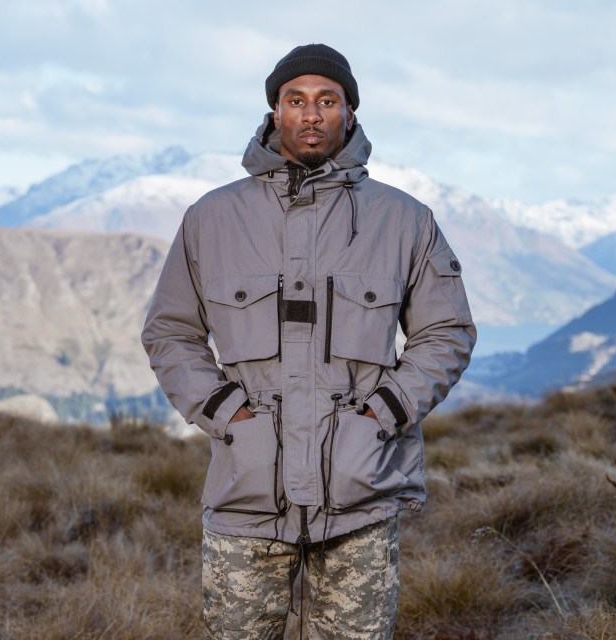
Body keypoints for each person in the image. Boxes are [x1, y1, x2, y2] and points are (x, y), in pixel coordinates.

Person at [142, 43, 476, 639]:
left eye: (328, 100)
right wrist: (227, 413)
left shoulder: (404, 220)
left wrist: (383, 413)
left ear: (350, 111)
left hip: (361, 495)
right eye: (296, 100)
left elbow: (446, 331)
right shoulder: (211, 218)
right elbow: (171, 332)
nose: (312, 114)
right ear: (275, 112)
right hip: (247, 495)